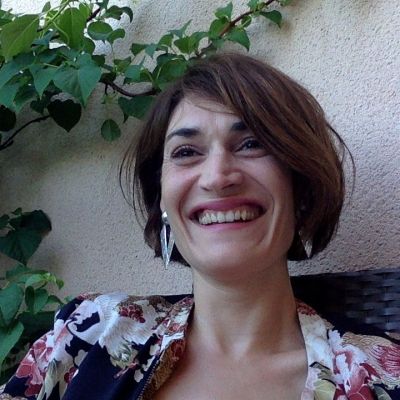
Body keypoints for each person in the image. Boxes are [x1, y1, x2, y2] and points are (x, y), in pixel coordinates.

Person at [1, 53, 399, 399]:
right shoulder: (86, 336)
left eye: (251, 144)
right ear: (163, 201)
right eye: (187, 152)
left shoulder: (380, 377)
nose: (218, 177)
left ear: (302, 186)